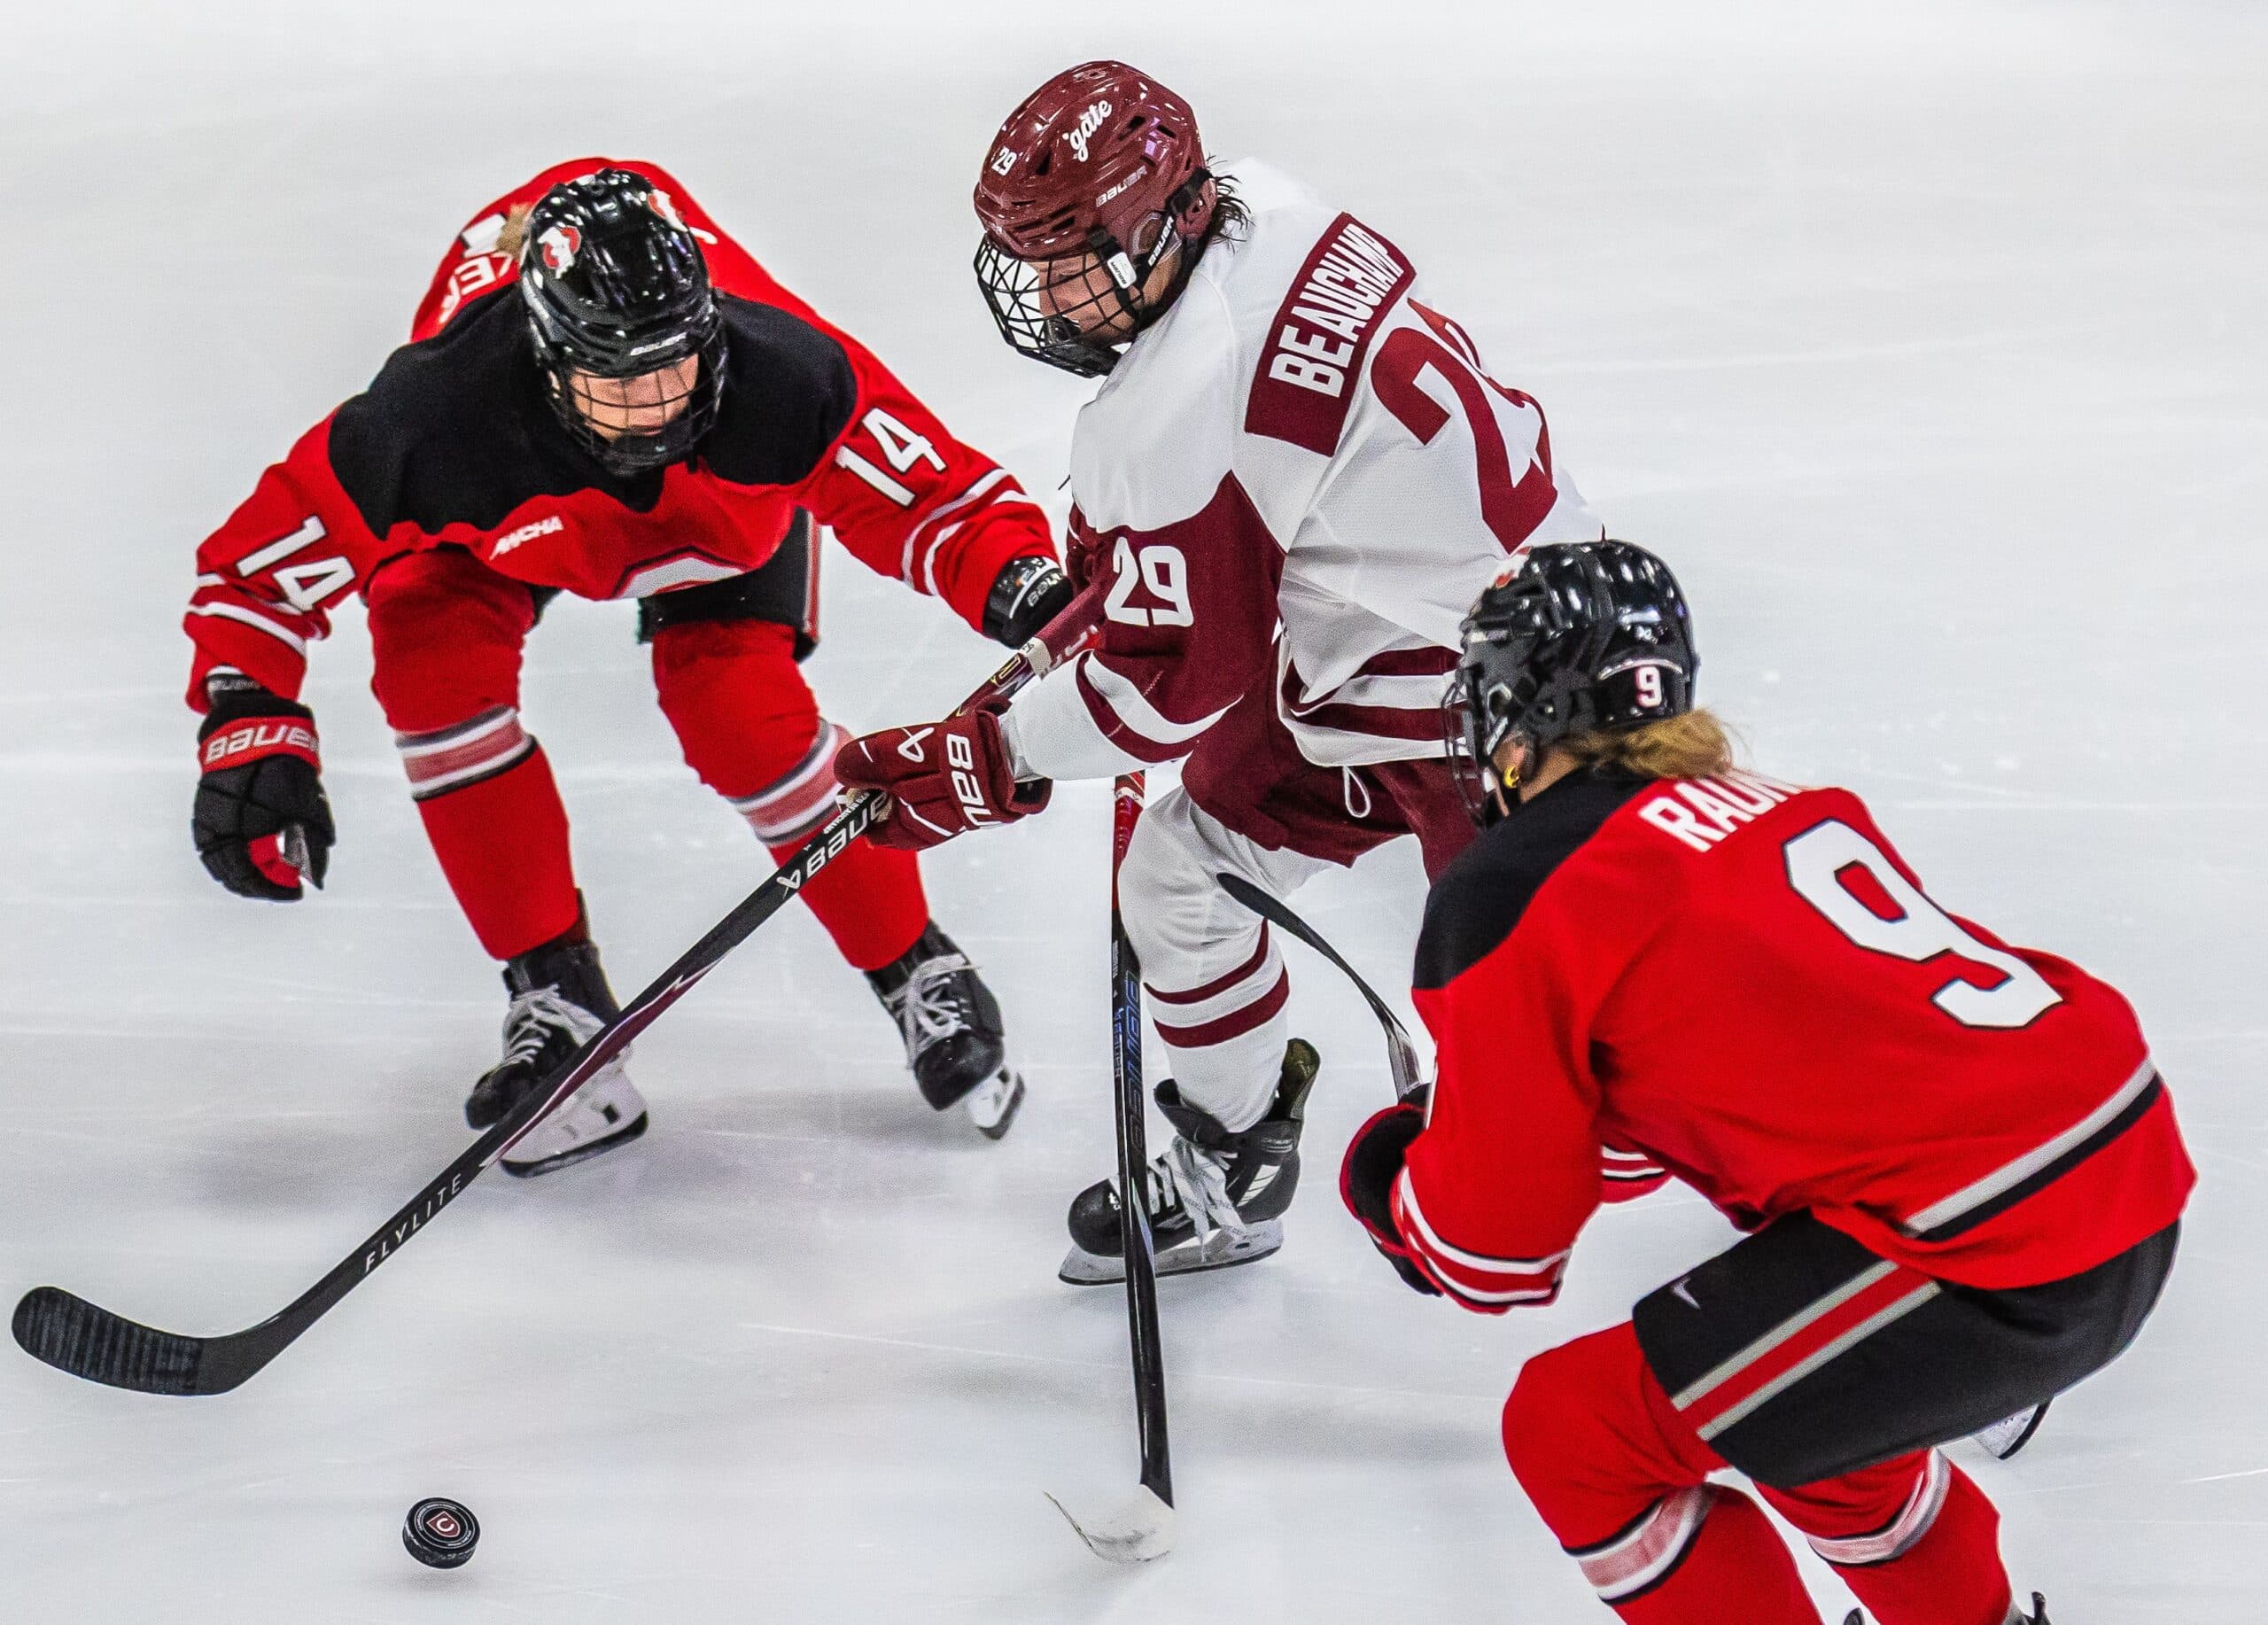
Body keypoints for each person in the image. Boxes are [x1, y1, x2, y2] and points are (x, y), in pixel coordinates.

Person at [834, 61, 1614, 1281]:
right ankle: (1233, 1162)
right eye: (1033, 261)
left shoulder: (1179, 401)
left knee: (1588, 1063)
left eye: (1073, 257)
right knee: (1183, 874)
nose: (1048, 293)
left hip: (1495, 720)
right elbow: (1254, 509)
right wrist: (1125, 574)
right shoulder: (1266, 206)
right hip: (1521, 625)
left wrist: (991, 762)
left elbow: (1174, 686)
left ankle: (1919, 1241)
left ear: (1162, 224)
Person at [1340, 540, 2193, 1625]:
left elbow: (1494, 1254)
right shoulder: (1771, 801)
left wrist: (1393, 1179)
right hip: (2116, 1157)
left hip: (1985, 1243)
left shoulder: (1511, 889)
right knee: (1813, 1432)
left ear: (1517, 700)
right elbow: (1660, 1115)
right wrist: (1494, 1117)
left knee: (1576, 1434)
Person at [186, 159, 1076, 1174]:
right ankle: (554, 997)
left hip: (713, 523)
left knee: (737, 711)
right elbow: (253, 574)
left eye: (675, 366)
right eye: (621, 380)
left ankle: (917, 963)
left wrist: (1026, 588)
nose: (657, 407)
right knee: (431, 669)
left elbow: (938, 498)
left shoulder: (778, 373)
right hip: (504, 527)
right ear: (549, 358)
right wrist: (251, 723)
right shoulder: (434, 420)